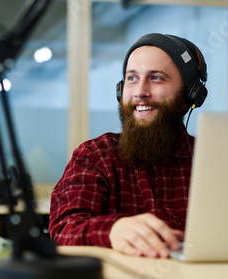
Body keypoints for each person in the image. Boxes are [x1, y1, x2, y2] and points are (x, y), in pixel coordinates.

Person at [49, 33, 208, 258]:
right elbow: (63, 231)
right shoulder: (95, 157)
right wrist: (113, 230)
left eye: (156, 78)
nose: (140, 91)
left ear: (189, 95)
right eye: (132, 78)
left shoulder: (210, 159)